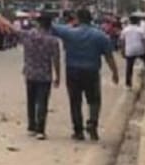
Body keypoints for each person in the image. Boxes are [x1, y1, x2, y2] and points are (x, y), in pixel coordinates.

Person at [50, 8, 119, 141]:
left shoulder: (68, 32)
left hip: (73, 71)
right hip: (91, 72)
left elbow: (52, 27)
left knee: (75, 101)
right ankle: (92, 123)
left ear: (77, 19)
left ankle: (78, 131)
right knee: (94, 100)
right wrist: (114, 73)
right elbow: (109, 57)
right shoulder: (100, 36)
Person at [0, 12, 61, 139]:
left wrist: (0, 17)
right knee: (42, 102)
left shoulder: (28, 35)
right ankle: (40, 130)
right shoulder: (53, 41)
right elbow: (56, 60)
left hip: (30, 74)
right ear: (50, 26)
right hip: (45, 76)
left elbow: (12, 28)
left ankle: (31, 127)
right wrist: (58, 76)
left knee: (31, 101)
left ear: (38, 24)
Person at [120, 16, 145, 88]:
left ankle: (128, 84)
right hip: (140, 49)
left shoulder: (125, 30)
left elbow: (122, 41)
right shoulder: (140, 29)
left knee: (129, 67)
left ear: (130, 21)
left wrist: (122, 51)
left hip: (129, 50)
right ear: (137, 21)